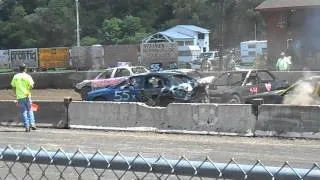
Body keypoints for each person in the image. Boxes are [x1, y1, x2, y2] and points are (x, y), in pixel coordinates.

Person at [11, 64, 36, 132]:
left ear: (19, 69)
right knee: (30, 110)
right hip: (27, 96)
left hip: (19, 97)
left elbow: (13, 86)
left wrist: (16, 93)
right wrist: (28, 89)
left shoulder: (15, 76)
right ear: (25, 69)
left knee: (24, 112)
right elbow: (32, 85)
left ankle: (27, 126)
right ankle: (32, 123)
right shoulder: (28, 76)